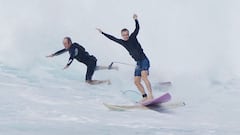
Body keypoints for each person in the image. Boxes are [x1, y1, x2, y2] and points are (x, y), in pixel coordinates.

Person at [97, 14, 153, 101]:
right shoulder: (122, 42)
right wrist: (102, 33)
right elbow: (112, 38)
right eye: (124, 35)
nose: (126, 36)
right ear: (122, 35)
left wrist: (136, 20)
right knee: (136, 82)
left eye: (127, 34)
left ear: (128, 34)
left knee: (144, 76)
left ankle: (151, 96)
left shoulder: (133, 37)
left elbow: (137, 28)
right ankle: (145, 97)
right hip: (138, 63)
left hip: (144, 60)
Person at [46, 37, 117, 85]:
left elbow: (72, 56)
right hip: (91, 60)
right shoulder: (72, 46)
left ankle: (106, 81)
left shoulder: (73, 49)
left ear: (70, 43)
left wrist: (68, 65)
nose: (64, 45)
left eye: (65, 43)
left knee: (88, 81)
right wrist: (54, 54)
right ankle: (113, 67)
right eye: (63, 43)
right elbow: (63, 51)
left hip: (90, 62)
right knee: (94, 68)